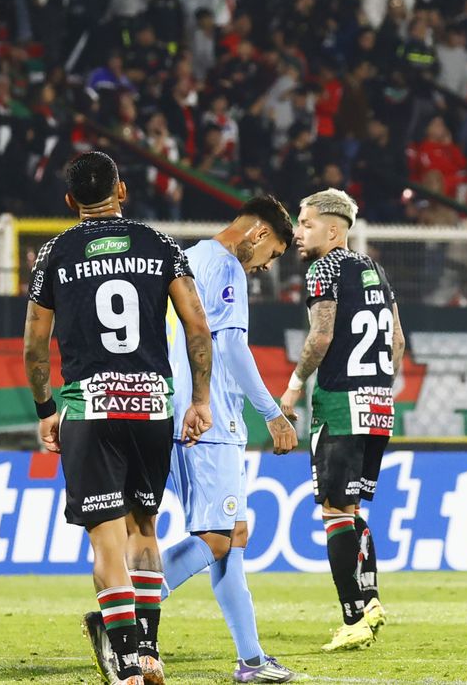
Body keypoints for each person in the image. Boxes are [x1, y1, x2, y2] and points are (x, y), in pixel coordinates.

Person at [23, 151, 213, 685]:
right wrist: (200, 399)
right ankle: (150, 651)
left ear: (69, 201)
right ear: (121, 190)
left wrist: (45, 409)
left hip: (89, 406)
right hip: (151, 404)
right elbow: (197, 326)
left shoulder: (55, 253)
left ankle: (126, 663)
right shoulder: (159, 244)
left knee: (105, 539)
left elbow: (35, 344)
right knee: (144, 528)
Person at [159, 196, 299, 683]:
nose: (265, 267)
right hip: (209, 416)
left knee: (234, 536)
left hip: (185, 408)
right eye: (274, 254)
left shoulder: (188, 256)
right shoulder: (226, 266)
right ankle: (124, 614)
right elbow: (233, 347)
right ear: (259, 234)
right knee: (216, 538)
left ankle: (252, 659)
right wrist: (273, 413)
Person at [278, 188, 405, 653]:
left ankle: (352, 617)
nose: (297, 232)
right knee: (353, 512)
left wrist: (294, 385)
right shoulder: (374, 269)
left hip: (340, 403)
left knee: (334, 512)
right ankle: (369, 601)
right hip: (377, 404)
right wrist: (376, 382)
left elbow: (321, 335)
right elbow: (396, 340)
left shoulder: (324, 268)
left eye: (306, 224)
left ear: (334, 230)